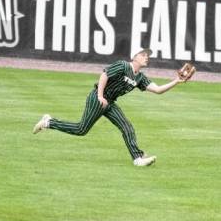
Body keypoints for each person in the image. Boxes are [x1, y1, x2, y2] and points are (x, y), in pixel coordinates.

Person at [32, 48, 191, 166]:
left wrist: (176, 81)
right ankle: (49, 122)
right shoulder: (123, 65)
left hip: (110, 103)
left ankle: (137, 159)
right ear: (134, 57)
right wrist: (100, 96)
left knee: (127, 126)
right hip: (97, 98)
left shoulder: (140, 77)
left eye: (147, 56)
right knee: (81, 129)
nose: (146, 57)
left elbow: (157, 90)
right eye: (142, 54)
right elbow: (104, 75)